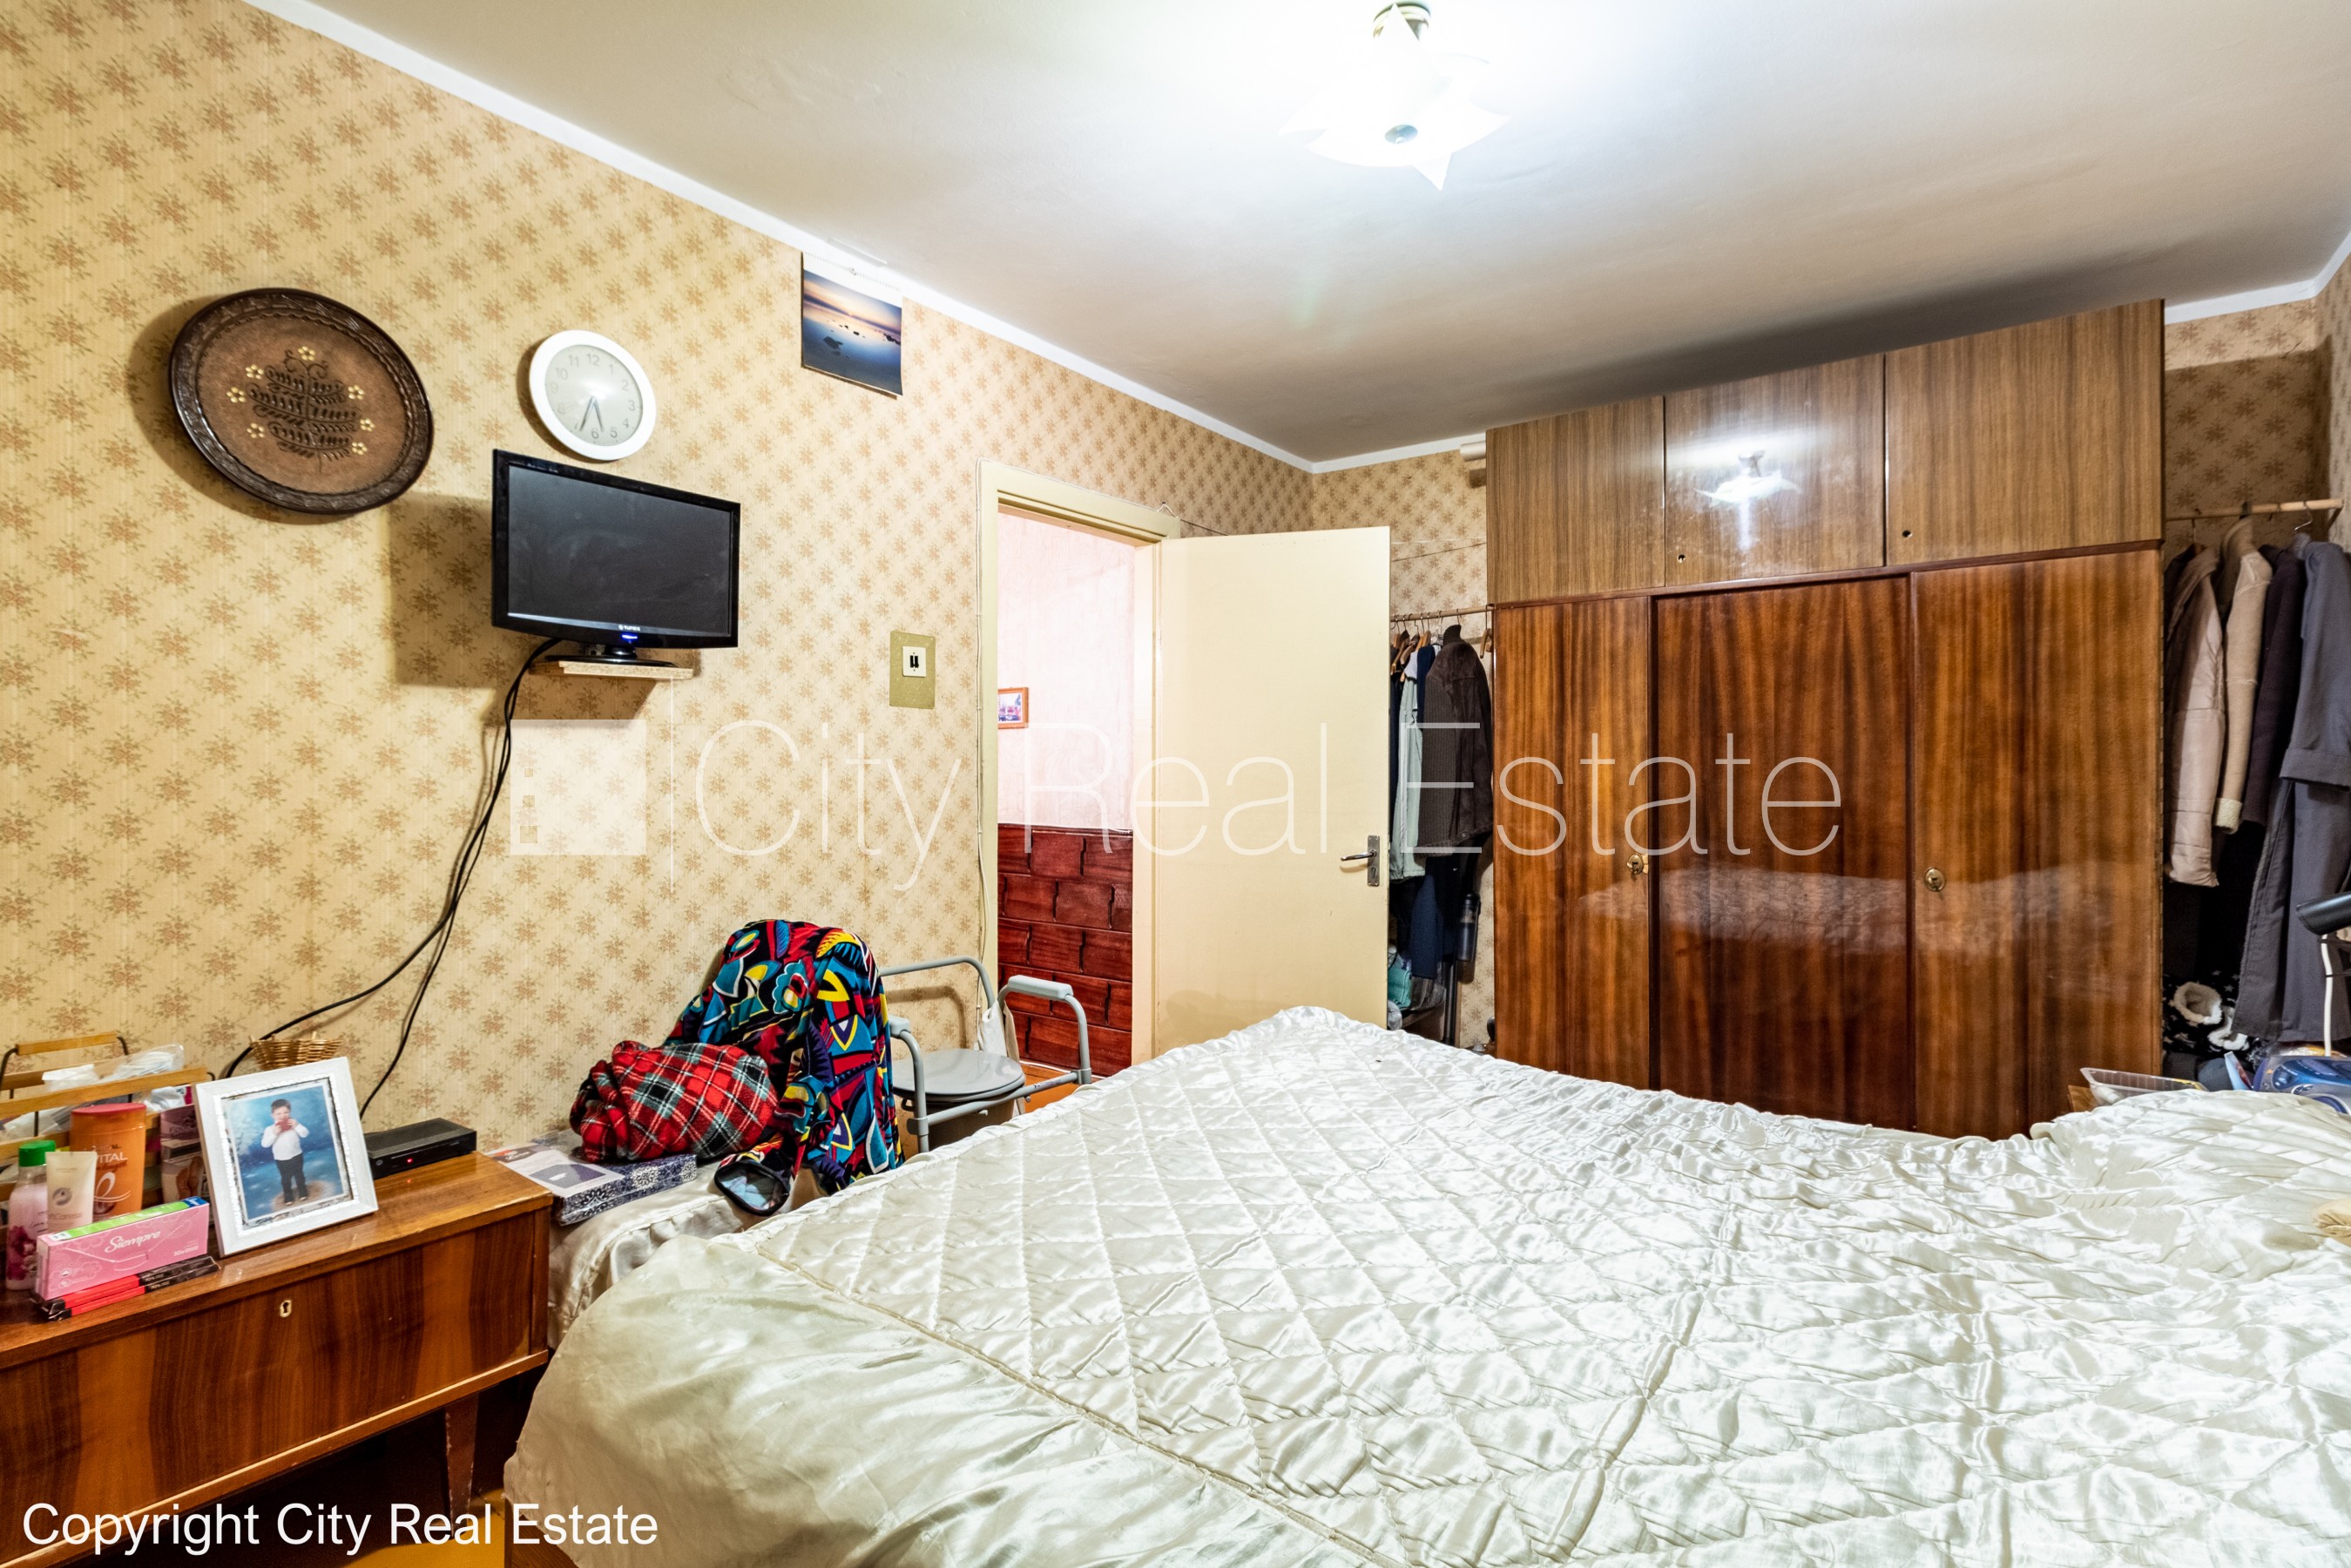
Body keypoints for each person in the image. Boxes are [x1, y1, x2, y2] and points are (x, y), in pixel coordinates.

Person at [257, 1098, 308, 1206]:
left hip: (297, 1154)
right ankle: (288, 1196)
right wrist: (274, 1134)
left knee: (299, 1175)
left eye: (286, 1112)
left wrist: (297, 1126)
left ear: (290, 1112)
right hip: (281, 1158)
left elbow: (305, 1134)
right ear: (272, 1115)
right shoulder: (270, 1129)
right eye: (278, 1113)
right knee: (286, 1178)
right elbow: (265, 1144)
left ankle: (302, 1191)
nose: (283, 1116)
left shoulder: (294, 1125)